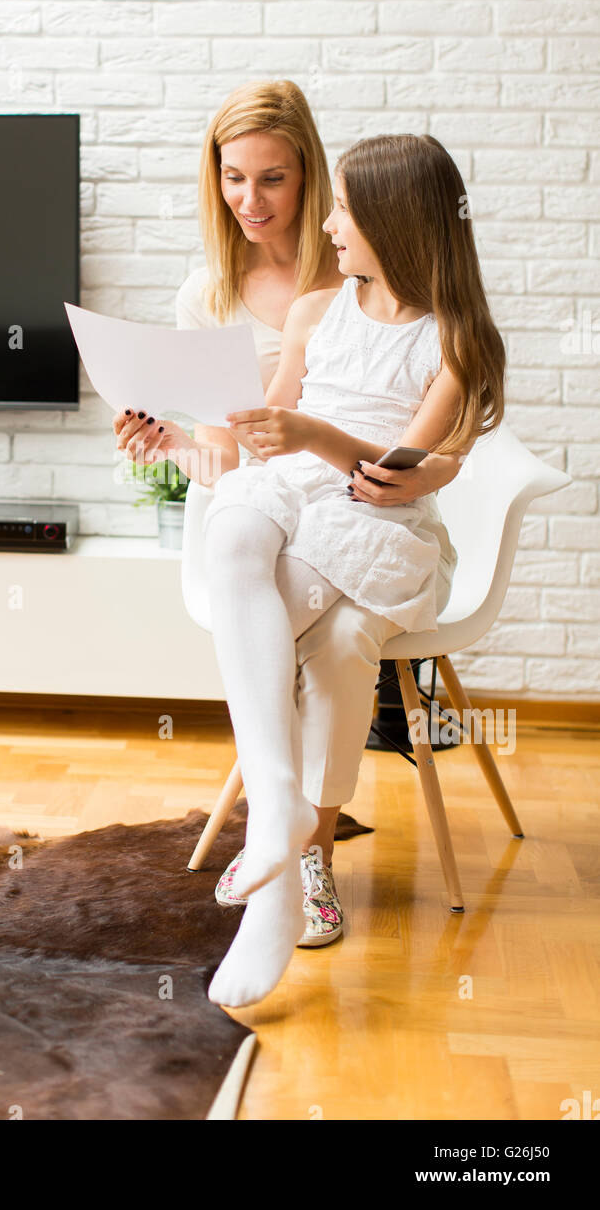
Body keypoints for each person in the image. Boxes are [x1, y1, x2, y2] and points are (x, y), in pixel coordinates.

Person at [114, 81, 471, 961]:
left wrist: (345, 452)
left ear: (317, 184)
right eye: (233, 179)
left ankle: (300, 847)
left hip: (361, 518)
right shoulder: (219, 295)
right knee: (255, 554)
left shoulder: (359, 285)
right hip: (268, 506)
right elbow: (231, 459)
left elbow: (428, 455)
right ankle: (281, 817)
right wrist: (166, 444)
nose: (252, 202)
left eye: (274, 180)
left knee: (343, 640)